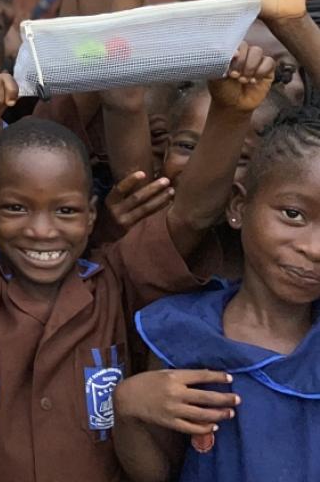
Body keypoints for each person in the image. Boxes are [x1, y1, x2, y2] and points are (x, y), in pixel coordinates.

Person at [0, 40, 273, 481]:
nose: (42, 230)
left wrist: (231, 116)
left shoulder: (115, 280)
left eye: (66, 211)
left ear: (92, 215)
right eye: (16, 209)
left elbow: (191, 215)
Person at [115, 105, 320, 482]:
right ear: (239, 207)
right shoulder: (183, 333)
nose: (314, 247)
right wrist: (127, 409)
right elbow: (159, 473)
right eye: (293, 214)